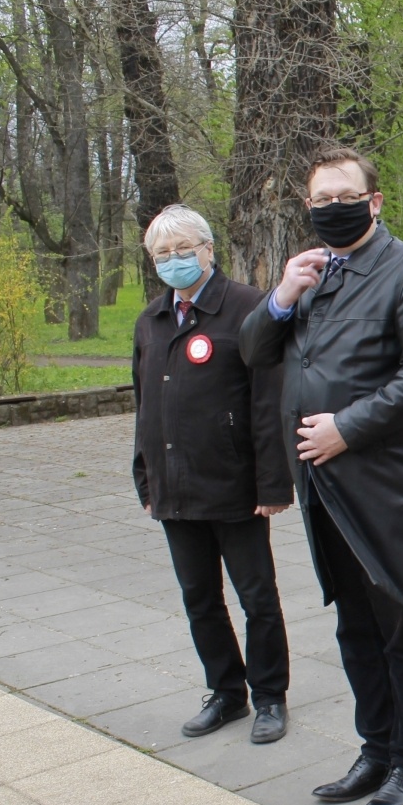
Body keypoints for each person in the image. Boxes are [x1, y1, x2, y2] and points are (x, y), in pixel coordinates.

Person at [239, 146, 403, 805]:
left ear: (376, 200)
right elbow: (251, 350)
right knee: (355, 627)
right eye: (320, 200)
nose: (333, 209)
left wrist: (348, 428)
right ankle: (376, 746)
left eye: (345, 196)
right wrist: (281, 295)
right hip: (324, 485)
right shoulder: (311, 274)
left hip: (391, 484)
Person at [132, 204, 293, 743]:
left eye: (184, 250)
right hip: (174, 487)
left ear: (208, 249)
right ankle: (226, 692)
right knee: (199, 597)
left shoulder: (247, 308)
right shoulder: (151, 321)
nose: (174, 261)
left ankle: (270, 696)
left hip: (236, 487)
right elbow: (144, 408)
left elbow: (269, 404)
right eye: (163, 254)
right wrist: (145, 478)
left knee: (257, 598)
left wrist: (273, 485)